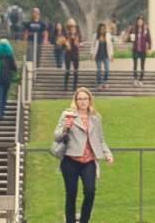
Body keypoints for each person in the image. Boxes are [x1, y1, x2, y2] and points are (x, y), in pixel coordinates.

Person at [53, 88, 114, 223]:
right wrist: (64, 128)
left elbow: (100, 139)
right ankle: (69, 220)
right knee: (71, 194)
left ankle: (84, 220)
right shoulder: (68, 115)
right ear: (75, 101)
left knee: (90, 191)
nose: (83, 102)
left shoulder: (96, 117)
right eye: (79, 99)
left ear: (90, 100)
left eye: (85, 98)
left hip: (89, 161)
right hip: (70, 160)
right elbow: (56, 136)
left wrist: (108, 154)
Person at [128, 17, 152, 85]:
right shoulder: (133, 29)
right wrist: (129, 33)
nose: (140, 23)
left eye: (141, 21)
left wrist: (149, 48)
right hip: (135, 49)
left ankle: (141, 79)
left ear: (143, 22)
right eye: (139, 21)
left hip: (143, 50)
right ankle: (135, 79)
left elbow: (149, 39)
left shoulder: (146, 29)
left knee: (142, 65)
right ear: (137, 22)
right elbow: (130, 39)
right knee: (135, 65)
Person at [61, 20, 81, 90]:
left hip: (75, 54)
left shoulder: (78, 35)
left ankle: (74, 86)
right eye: (71, 28)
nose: (72, 29)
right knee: (67, 70)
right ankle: (65, 86)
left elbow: (80, 44)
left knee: (76, 71)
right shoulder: (66, 35)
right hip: (68, 54)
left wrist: (78, 43)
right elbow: (63, 46)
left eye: (74, 28)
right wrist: (65, 44)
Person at [92, 23, 114, 88]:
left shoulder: (108, 35)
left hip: (106, 55)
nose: (102, 30)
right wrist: (92, 54)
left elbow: (110, 46)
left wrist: (112, 55)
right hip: (98, 55)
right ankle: (99, 83)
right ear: (99, 29)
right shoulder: (95, 36)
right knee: (99, 70)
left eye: (103, 29)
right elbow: (92, 46)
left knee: (107, 69)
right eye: (101, 29)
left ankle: (105, 81)